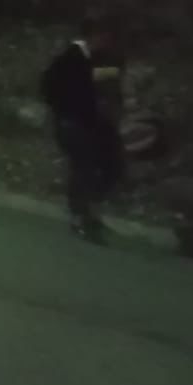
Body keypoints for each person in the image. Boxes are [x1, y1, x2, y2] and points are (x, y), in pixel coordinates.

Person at [40, 16, 127, 242]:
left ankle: (87, 211)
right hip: (72, 123)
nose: (107, 42)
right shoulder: (70, 58)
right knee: (83, 167)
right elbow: (52, 85)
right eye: (104, 37)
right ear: (94, 36)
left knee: (106, 165)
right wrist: (66, 110)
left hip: (87, 122)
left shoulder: (88, 60)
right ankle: (80, 215)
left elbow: (88, 81)